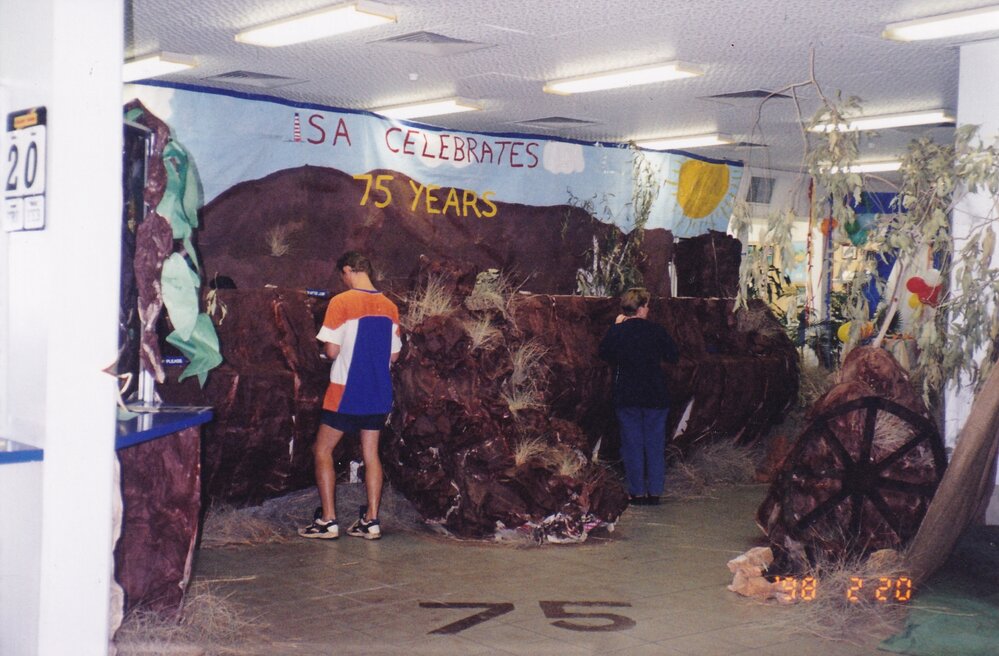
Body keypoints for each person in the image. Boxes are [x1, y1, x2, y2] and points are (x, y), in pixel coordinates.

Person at [299, 251, 402, 540]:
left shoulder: (341, 302)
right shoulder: (389, 306)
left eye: (342, 275)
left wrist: (325, 352)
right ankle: (371, 520)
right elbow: (393, 355)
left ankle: (328, 521)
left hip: (345, 391)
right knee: (371, 454)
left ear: (347, 270)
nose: (342, 281)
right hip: (379, 391)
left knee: (322, 451)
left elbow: (331, 351)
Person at [598, 287, 679, 506]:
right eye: (646, 305)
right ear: (642, 308)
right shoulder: (656, 330)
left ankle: (637, 492)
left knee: (632, 445)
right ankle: (655, 492)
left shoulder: (617, 332)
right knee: (654, 444)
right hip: (655, 395)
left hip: (627, 395)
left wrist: (617, 327)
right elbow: (673, 355)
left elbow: (604, 353)